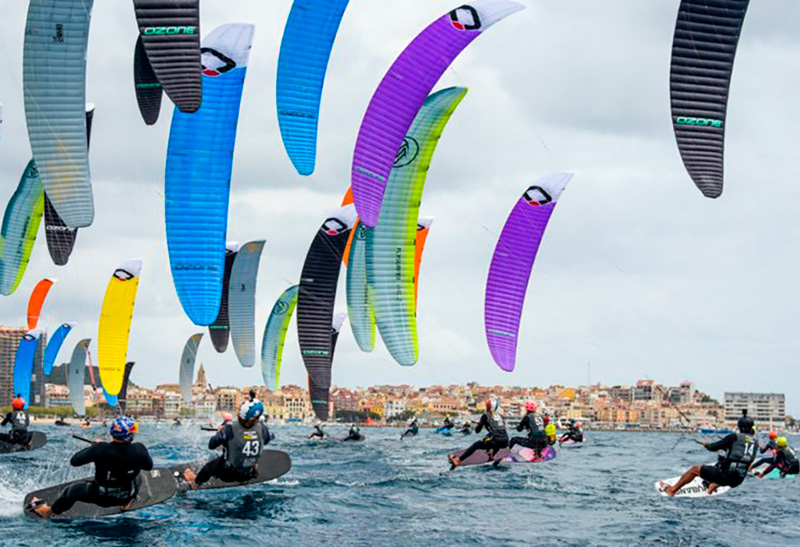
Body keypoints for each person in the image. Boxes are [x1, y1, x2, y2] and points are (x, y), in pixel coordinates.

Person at [28, 416, 152, 518]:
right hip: (126, 494)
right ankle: (126, 503)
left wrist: (94, 448)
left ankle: (47, 512)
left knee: (71, 491)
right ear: (130, 435)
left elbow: (74, 461)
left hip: (100, 497)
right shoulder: (139, 448)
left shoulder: (100, 449)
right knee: (138, 475)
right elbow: (148, 466)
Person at [664, 410, 758, 496]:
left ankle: (672, 490)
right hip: (738, 479)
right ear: (751, 428)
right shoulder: (755, 441)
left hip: (727, 475)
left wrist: (707, 445)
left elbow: (713, 447)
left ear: (739, 427)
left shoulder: (734, 437)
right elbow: (738, 454)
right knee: (722, 463)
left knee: (695, 469)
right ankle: (710, 489)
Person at [183, 400, 271, 488]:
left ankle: (195, 483)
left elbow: (211, 445)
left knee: (207, 468)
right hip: (248, 474)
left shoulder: (229, 429)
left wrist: (220, 432)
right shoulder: (263, 429)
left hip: (227, 474)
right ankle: (250, 467)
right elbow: (266, 439)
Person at [448, 398, 508, 469]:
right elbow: (498, 430)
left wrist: (479, 424)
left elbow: (477, 431)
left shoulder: (485, 415)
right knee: (492, 437)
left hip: (496, 441)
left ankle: (459, 460)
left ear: (488, 406)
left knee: (476, 445)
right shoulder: (500, 416)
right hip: (505, 441)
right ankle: (492, 455)